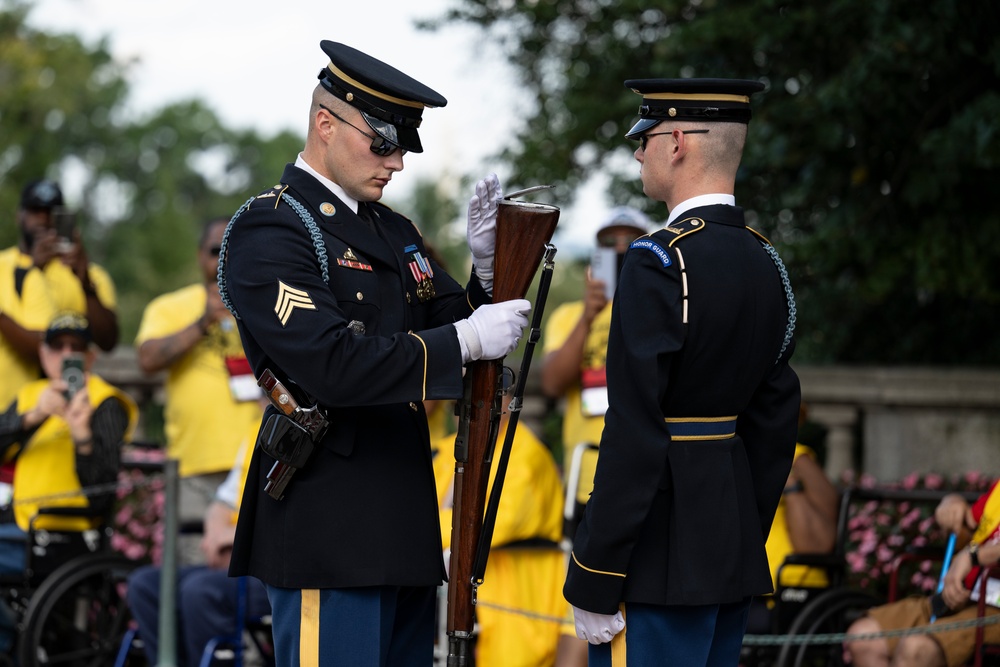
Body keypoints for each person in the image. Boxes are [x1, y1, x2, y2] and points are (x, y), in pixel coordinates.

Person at [218, 41, 530, 666]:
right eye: (381, 142)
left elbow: (454, 324)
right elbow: (333, 365)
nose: (396, 163)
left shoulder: (393, 230)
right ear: (325, 124)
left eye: (403, 147)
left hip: (402, 518)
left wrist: (491, 275)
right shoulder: (272, 227)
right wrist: (465, 340)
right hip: (327, 518)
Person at [562, 78, 801, 665]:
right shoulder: (766, 260)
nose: (638, 152)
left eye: (644, 138)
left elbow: (635, 429)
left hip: (654, 556)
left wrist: (597, 568)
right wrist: (743, 532)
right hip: (730, 549)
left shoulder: (659, 261)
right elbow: (775, 421)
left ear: (676, 142)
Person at [0, 312, 137, 652]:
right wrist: (33, 416)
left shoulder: (105, 402)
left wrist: (83, 438)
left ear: (90, 357)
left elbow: (101, 492)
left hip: (65, 534)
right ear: (44, 354)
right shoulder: (32, 395)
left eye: (75, 348)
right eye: (57, 346)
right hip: (19, 526)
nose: (65, 355)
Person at [135, 217, 262, 565]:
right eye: (215, 251)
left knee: (250, 571)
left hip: (258, 463)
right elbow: (147, 359)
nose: (223, 258)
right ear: (199, 256)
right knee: (193, 570)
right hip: (194, 467)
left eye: (231, 250)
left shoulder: (264, 302)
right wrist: (202, 321)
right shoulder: (170, 307)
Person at [432, 393, 566, 667]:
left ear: (505, 402)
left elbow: (497, 522)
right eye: (460, 401)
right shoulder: (444, 450)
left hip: (507, 585)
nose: (466, 410)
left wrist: (422, 534)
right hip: (446, 580)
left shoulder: (525, 452)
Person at [126, 414, 271, 667]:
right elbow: (224, 501)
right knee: (145, 585)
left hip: (272, 572)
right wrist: (215, 536)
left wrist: (235, 540)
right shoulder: (256, 429)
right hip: (234, 562)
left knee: (199, 591)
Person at [541, 206, 649, 534]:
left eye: (631, 242)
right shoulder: (569, 315)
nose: (619, 248)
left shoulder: (659, 310)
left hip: (644, 472)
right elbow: (552, 383)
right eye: (609, 242)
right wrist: (589, 317)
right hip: (586, 475)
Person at [844, 484, 1000, 667]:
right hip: (965, 597)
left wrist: (974, 556)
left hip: (993, 610)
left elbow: (971, 553)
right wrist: (952, 506)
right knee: (864, 637)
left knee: (915, 649)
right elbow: (966, 533)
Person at [16, 180, 120, 354]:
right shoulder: (2, 267)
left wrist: (85, 283)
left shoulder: (91, 274)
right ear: (19, 215)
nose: (43, 218)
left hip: (72, 380)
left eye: (51, 211)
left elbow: (107, 342)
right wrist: (34, 269)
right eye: (35, 210)